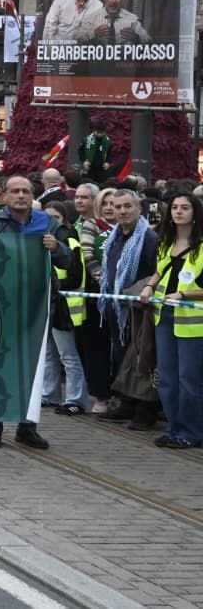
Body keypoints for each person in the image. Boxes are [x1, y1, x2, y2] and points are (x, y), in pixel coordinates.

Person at [0, 175, 71, 449]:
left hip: (36, 306)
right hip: (1, 305)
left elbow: (68, 261)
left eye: (26, 191)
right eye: (15, 191)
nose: (20, 195)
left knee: (32, 368)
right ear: (3, 196)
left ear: (33, 195)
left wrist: (57, 248)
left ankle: (27, 427)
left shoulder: (48, 223)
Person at [142, 192, 202, 448]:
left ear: (195, 212)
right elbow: (159, 271)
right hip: (164, 316)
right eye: (175, 207)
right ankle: (173, 427)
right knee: (166, 377)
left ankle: (191, 432)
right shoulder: (165, 242)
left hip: (193, 321)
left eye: (185, 207)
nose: (178, 212)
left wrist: (184, 294)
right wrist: (149, 287)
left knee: (189, 379)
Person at [99, 186, 161, 429]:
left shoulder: (149, 239)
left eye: (128, 206)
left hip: (140, 310)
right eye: (118, 207)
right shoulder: (114, 236)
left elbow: (156, 274)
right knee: (122, 355)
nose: (122, 211)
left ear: (139, 208)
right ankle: (126, 403)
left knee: (142, 359)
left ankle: (145, 410)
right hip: (117, 307)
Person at [40, 201, 91, 416]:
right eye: (47, 218)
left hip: (64, 307)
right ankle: (50, 394)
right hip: (48, 303)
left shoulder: (68, 241)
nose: (52, 222)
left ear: (64, 220)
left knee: (67, 355)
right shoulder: (42, 241)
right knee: (49, 353)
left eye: (56, 218)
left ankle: (75, 399)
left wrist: (53, 286)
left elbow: (75, 275)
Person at [73, 0, 151, 44]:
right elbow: (75, 41)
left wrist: (137, 38)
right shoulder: (91, 19)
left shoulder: (132, 20)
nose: (114, 1)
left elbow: (149, 42)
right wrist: (93, 34)